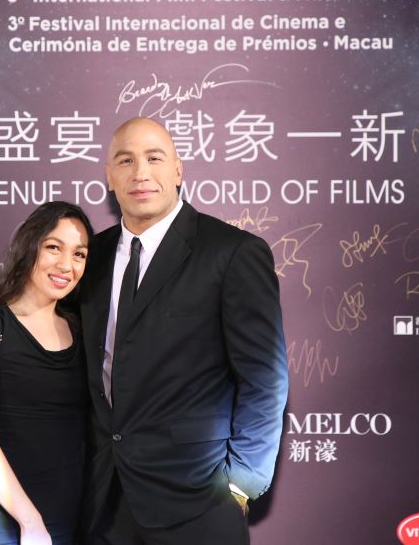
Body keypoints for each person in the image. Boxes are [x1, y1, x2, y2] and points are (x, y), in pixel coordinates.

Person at [80, 117, 288, 544]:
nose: (140, 172)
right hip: (103, 500)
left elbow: (265, 376)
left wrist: (241, 483)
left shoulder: (232, 253)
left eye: (154, 158)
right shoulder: (88, 257)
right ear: (109, 176)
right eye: (125, 160)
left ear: (178, 169)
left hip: (199, 500)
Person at [0, 201, 95, 545]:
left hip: (80, 517)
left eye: (79, 254)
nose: (66, 264)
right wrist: (30, 522)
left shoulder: (83, 327)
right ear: (28, 247)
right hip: (10, 522)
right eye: (53, 248)